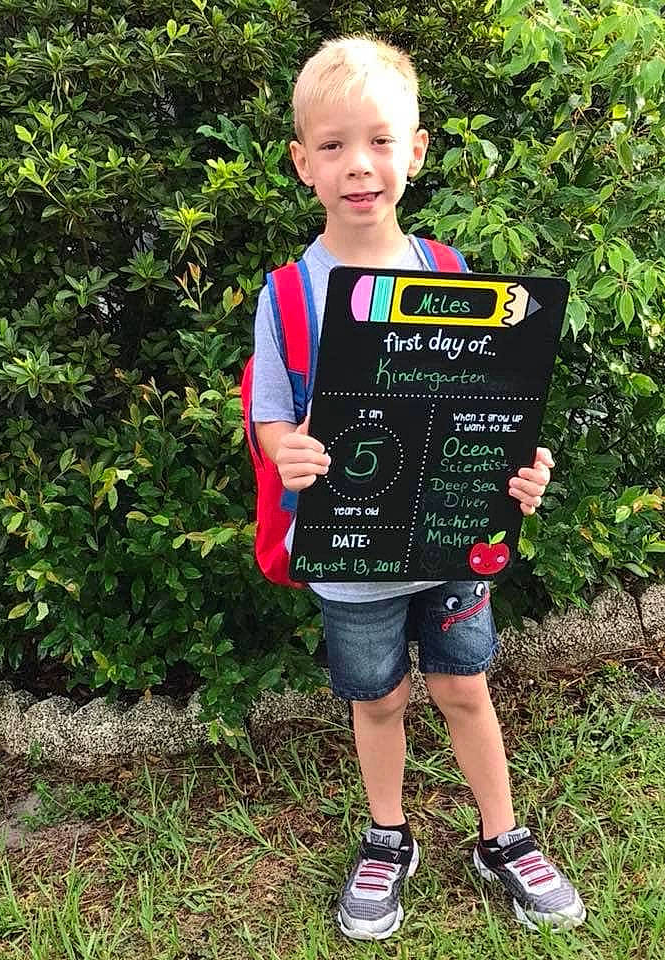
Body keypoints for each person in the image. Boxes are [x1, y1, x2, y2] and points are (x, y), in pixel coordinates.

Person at [252, 35, 586, 942]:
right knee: (379, 700)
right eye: (333, 146)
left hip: (450, 544)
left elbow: (491, 406)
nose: (359, 165)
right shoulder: (288, 295)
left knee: (466, 688)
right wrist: (288, 453)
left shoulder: (454, 276)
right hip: (351, 555)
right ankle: (386, 836)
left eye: (380, 141)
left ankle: (502, 836)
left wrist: (518, 468)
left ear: (417, 151)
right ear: (303, 164)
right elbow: (271, 415)